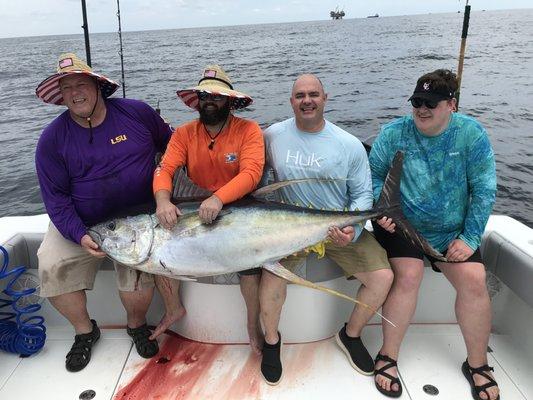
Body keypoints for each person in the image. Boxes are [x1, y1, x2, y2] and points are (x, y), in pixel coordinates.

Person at [35, 53, 184, 372]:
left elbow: (174, 148)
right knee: (51, 264)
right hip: (80, 222)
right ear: (60, 96)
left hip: (137, 221)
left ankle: (136, 324)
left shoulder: (137, 113)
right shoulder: (51, 140)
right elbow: (56, 199)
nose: (75, 92)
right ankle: (85, 331)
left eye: (81, 83)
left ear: (98, 86)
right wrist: (79, 234)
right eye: (66, 87)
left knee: (138, 277)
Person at [369, 69, 498, 400]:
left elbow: (484, 190)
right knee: (409, 275)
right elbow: (371, 176)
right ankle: (388, 357)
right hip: (401, 227)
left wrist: (470, 238)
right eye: (416, 101)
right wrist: (381, 209)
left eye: (430, 102)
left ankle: (478, 365)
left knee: (474, 278)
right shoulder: (393, 133)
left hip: (450, 232)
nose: (421, 109)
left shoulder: (472, 134)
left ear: (451, 104)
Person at [259, 73, 394, 385]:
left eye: (314, 95)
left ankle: (351, 334)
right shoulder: (273, 135)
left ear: (325, 98)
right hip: (288, 229)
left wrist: (353, 230)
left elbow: (362, 195)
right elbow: (261, 175)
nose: (307, 100)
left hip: (337, 228)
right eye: (300, 95)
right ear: (291, 101)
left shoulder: (348, 144)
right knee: (270, 280)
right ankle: (271, 342)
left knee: (382, 277)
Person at [152, 65, 265, 354]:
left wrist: (219, 199)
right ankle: (173, 308)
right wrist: (163, 201)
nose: (209, 101)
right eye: (204, 96)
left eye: (216, 96)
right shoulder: (184, 133)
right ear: (197, 101)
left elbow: (251, 173)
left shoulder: (248, 130)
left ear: (229, 101)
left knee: (250, 267)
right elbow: (165, 168)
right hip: (194, 209)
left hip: (237, 208)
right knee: (157, 250)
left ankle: (252, 326)